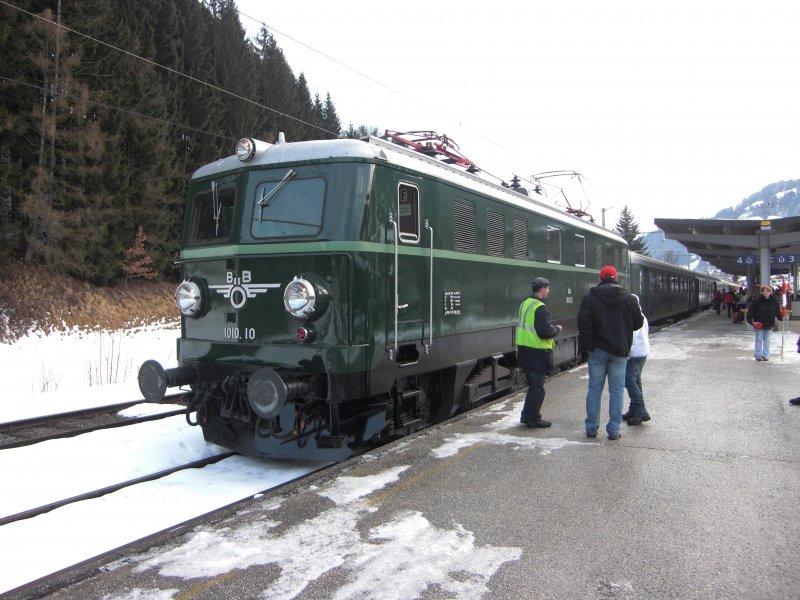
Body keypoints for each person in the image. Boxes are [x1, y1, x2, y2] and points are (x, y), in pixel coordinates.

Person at [578, 265, 644, 440]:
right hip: (619, 352)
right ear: (616, 279)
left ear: (600, 279)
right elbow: (638, 323)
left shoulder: (590, 297)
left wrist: (590, 345)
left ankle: (591, 428)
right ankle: (614, 430)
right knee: (616, 391)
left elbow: (583, 325)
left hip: (598, 351)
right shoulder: (628, 298)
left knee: (594, 389)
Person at [516, 277, 563, 428]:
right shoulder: (540, 307)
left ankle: (526, 415)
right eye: (547, 288)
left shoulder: (525, 304)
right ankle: (533, 418)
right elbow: (544, 332)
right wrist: (557, 329)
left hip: (524, 350)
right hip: (536, 352)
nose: (548, 291)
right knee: (537, 389)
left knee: (533, 387)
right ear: (542, 289)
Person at [623, 294, 651, 425]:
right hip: (642, 352)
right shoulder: (641, 315)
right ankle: (633, 409)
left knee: (629, 380)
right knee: (636, 381)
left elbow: (632, 338)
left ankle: (641, 411)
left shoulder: (633, 318)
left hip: (635, 354)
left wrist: (626, 352)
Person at [745, 284, 783, 361]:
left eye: (767, 291)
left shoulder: (774, 301)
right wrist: (751, 321)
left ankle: (766, 355)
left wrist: (781, 317)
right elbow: (751, 312)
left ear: (770, 292)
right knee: (758, 339)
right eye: (763, 291)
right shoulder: (757, 301)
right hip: (759, 324)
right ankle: (758, 355)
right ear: (761, 292)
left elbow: (777, 312)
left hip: (769, 324)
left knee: (767, 340)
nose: (765, 293)